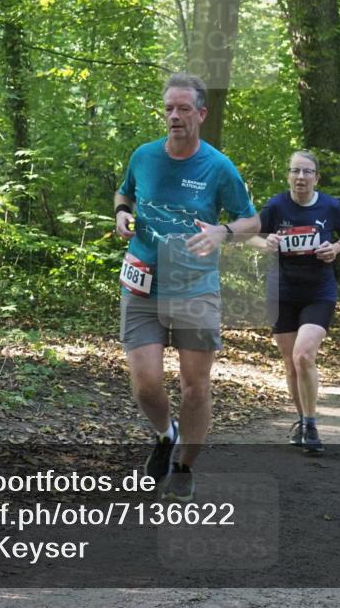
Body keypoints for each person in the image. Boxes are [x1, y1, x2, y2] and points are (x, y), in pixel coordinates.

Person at [114, 73, 260, 502]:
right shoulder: (143, 156)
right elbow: (124, 195)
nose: (174, 116)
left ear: (201, 113)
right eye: (168, 109)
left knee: (195, 387)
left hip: (195, 289)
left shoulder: (218, 167)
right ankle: (165, 433)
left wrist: (223, 232)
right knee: (146, 385)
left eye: (183, 109)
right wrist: (122, 215)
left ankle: (183, 467)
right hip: (143, 283)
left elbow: (252, 221)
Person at [248, 151, 340, 454]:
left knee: (303, 355)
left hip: (318, 291)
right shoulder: (276, 205)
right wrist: (266, 242)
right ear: (288, 175)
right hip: (281, 292)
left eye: (307, 172)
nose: (300, 177)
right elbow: (251, 235)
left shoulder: (330, 206)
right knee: (290, 362)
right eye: (295, 171)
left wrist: (336, 247)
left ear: (316, 177)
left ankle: (310, 423)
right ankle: (301, 419)